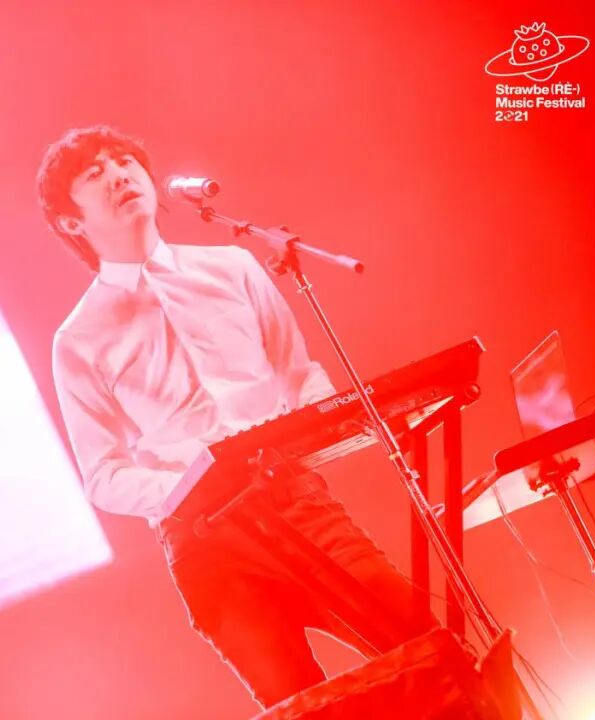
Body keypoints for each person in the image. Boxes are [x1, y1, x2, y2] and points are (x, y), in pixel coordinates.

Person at [38, 125, 434, 709]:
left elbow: (296, 374)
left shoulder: (233, 266)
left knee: (423, 647)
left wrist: (338, 418)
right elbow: (103, 475)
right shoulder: (78, 338)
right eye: (95, 174)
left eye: (124, 161)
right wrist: (193, 484)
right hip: (206, 542)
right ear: (71, 222)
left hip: (294, 498)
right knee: (299, 704)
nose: (118, 175)